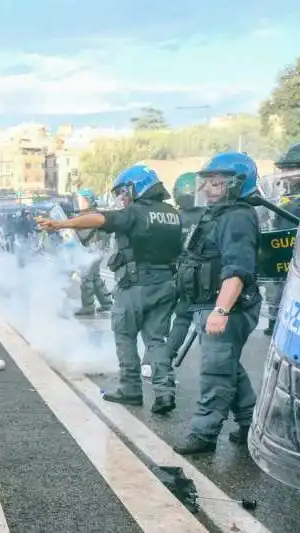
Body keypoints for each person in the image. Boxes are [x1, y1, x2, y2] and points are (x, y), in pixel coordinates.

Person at [38, 165, 182, 414]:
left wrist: (62, 224)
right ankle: (164, 393)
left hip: (136, 286)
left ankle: (131, 389)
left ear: (137, 187)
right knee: (156, 341)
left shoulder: (135, 212)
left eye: (124, 192)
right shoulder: (172, 213)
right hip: (166, 284)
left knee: (125, 335)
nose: (122, 198)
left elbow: (100, 219)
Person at [172, 152, 262, 455]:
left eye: (216, 183)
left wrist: (221, 310)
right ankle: (251, 424)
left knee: (216, 372)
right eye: (207, 182)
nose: (207, 188)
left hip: (227, 306)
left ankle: (204, 434)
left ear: (236, 184)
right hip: (211, 304)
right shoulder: (219, 213)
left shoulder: (237, 217)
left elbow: (237, 269)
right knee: (228, 367)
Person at [162, 173, 205, 367]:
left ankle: (158, 355)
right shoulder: (208, 216)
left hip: (175, 273)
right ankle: (166, 355)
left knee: (169, 316)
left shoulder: (174, 217)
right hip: (199, 276)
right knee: (188, 317)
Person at [263, 144, 300, 335]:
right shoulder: (285, 197)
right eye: (284, 169)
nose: (285, 174)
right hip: (280, 257)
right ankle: (275, 321)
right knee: (277, 290)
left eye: (290, 169)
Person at [71, 188, 113, 316]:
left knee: (86, 279)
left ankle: (88, 306)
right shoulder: (94, 214)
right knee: (95, 278)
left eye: (81, 200)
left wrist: (72, 230)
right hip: (97, 251)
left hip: (91, 251)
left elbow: (83, 235)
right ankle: (106, 303)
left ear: (88, 201)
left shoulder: (89, 216)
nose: (79, 203)